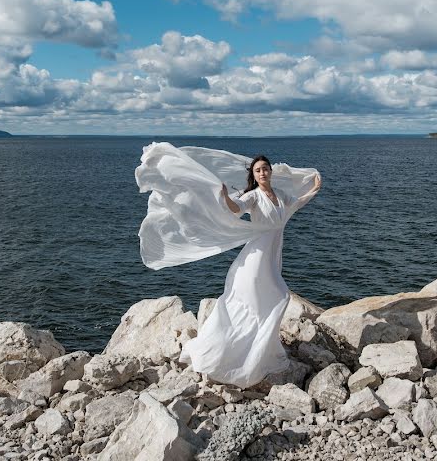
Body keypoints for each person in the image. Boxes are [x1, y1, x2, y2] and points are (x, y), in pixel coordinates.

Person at [135, 142, 321, 388]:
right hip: (255, 257)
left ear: (270, 172)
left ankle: (256, 347)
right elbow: (237, 207)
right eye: (258, 170)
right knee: (279, 296)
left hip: (271, 255)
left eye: (265, 168)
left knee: (268, 299)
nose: (263, 172)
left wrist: (315, 188)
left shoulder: (280, 197)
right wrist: (224, 195)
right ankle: (235, 351)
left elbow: (297, 202)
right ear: (253, 176)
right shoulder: (254, 196)